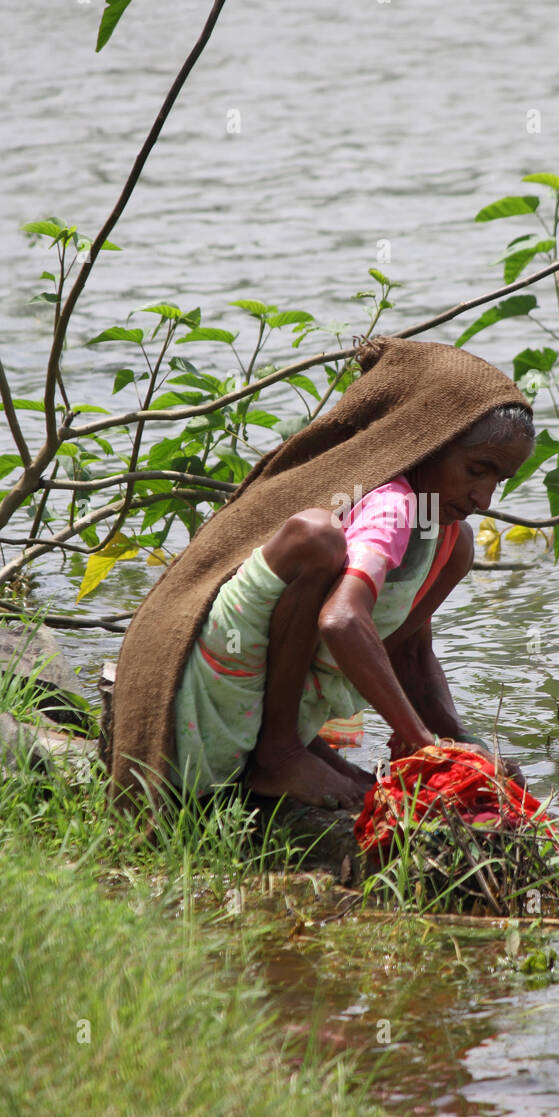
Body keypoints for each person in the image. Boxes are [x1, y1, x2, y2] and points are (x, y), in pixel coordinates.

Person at [107, 336, 535, 834]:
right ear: (429, 442)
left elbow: (413, 653)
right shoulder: (392, 505)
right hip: (210, 699)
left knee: (451, 545)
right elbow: (341, 619)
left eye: (498, 480)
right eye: (475, 470)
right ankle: (279, 750)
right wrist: (422, 742)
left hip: (260, 698)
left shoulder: (447, 539)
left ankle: (292, 743)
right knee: (317, 539)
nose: (483, 497)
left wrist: (464, 739)